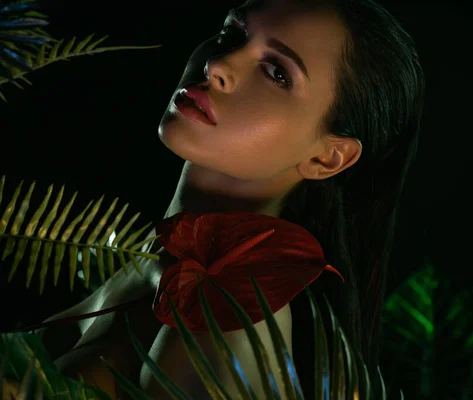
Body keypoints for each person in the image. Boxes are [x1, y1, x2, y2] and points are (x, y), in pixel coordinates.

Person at [27, 0, 425, 398]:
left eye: (276, 73)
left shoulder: (232, 306)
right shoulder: (155, 256)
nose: (218, 65)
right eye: (232, 35)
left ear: (326, 157)